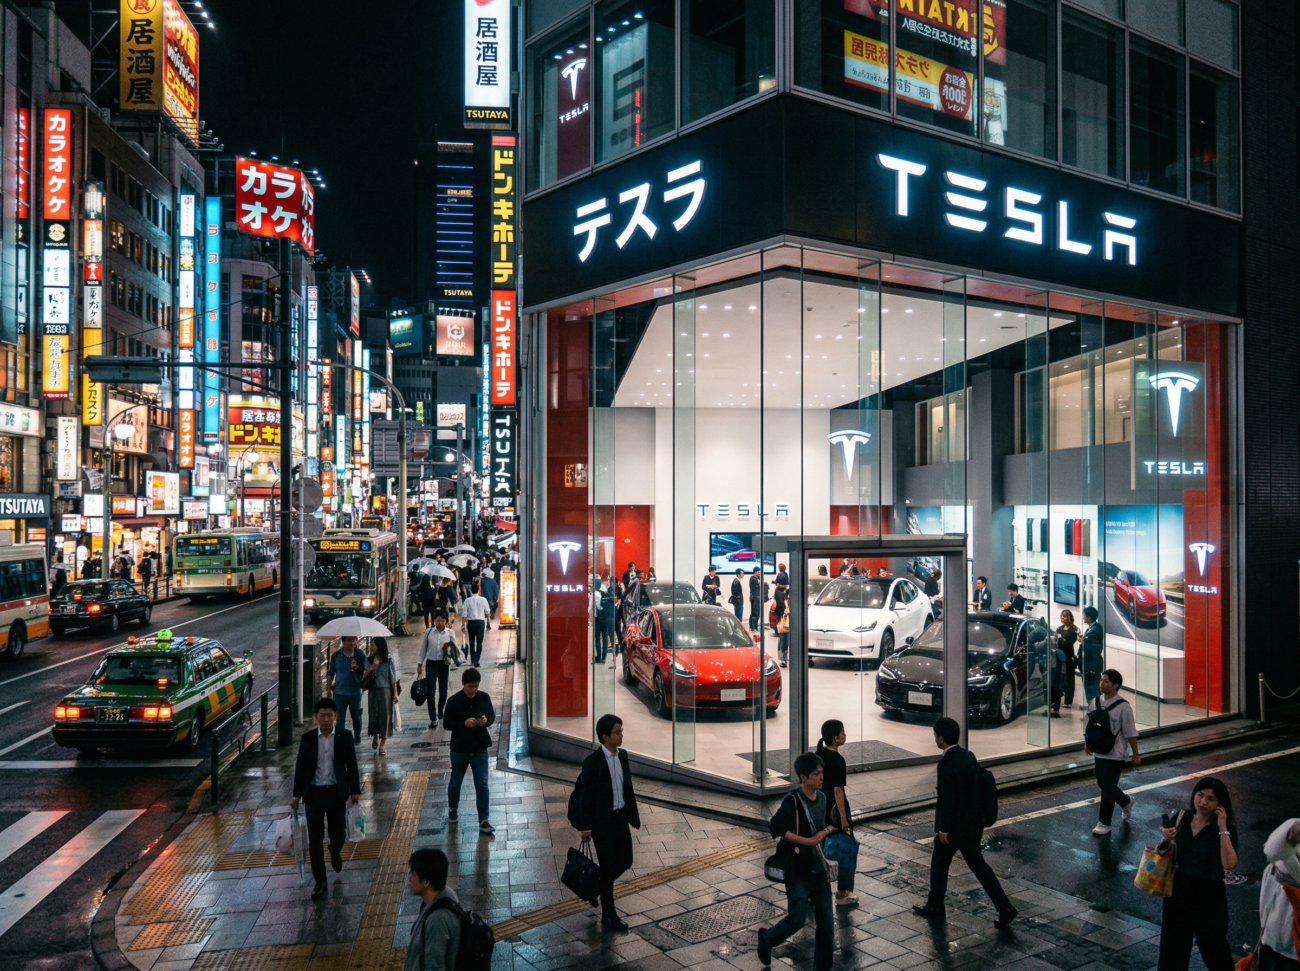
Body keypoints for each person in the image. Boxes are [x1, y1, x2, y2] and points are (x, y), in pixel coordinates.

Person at [913, 717, 1017, 927]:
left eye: (935, 736)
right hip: (973, 822)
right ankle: (1005, 907)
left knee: (940, 859)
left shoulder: (945, 764)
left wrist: (942, 829)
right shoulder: (968, 756)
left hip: (955, 827)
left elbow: (946, 799)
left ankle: (935, 905)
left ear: (941, 739)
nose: (935, 739)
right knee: (978, 864)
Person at [757, 752, 835, 970]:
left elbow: (832, 822)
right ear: (803, 777)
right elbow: (778, 828)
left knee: (827, 923)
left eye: (822, 773)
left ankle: (823, 967)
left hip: (819, 869)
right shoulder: (791, 800)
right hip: (799, 870)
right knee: (797, 919)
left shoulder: (823, 798)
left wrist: (826, 831)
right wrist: (808, 841)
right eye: (816, 774)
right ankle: (768, 939)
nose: (821, 778)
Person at [1157, 778, 1239, 971]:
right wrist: (1165, 841)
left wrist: (1222, 827)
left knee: (1214, 948)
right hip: (1179, 890)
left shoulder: (1224, 828)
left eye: (1210, 799)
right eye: (1200, 795)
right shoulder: (1181, 817)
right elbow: (1167, 853)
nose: (1203, 802)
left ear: (1219, 804)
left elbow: (1229, 863)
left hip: (1209, 894)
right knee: (1173, 948)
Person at [290, 698, 361, 899]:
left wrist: (355, 790)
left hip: (336, 793)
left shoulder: (345, 736)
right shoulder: (308, 738)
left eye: (330, 715)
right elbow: (301, 768)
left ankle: (335, 850)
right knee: (315, 839)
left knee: (338, 833)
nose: (326, 719)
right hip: (314, 793)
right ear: (316, 717)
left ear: (336, 716)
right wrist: (296, 795)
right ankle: (320, 882)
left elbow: (352, 765)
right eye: (322, 716)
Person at [578, 714, 641, 931]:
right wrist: (585, 826)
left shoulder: (622, 756)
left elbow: (627, 787)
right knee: (608, 867)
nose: (621, 735)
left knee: (626, 860)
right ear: (605, 736)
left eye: (621, 730)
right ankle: (609, 914)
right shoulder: (592, 762)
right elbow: (585, 796)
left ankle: (596, 887)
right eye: (617, 732)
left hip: (620, 818)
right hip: (601, 823)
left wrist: (632, 814)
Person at [1085, 668, 1140, 834]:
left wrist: (1135, 754)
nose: (1101, 683)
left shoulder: (1124, 707)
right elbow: (1089, 725)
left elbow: (1130, 732)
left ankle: (1104, 823)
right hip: (1099, 750)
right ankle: (1125, 802)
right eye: (1101, 680)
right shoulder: (1095, 701)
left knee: (1108, 787)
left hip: (1116, 753)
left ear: (1115, 685)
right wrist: (1087, 742)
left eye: (1106, 681)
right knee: (1102, 784)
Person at [443, 667, 495, 833]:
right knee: (455, 781)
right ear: (463, 683)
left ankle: (484, 819)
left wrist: (486, 721)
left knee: (482, 784)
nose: (473, 690)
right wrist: (463, 724)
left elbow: (492, 716)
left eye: (476, 686)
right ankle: (453, 808)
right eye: (470, 686)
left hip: (479, 748)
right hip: (460, 749)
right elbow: (446, 724)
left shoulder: (484, 697)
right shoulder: (453, 701)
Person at [816, 720, 858, 907]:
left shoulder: (819, 754)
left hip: (820, 809)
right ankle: (842, 893)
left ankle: (812, 891)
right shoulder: (837, 760)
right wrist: (844, 820)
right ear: (835, 738)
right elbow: (838, 791)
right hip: (835, 811)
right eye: (843, 732)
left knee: (818, 848)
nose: (845, 735)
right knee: (847, 848)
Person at [405, 848, 461, 971]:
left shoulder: (437, 920)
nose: (409, 879)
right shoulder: (447, 893)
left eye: (413, 874)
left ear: (426, 882)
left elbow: (434, 966)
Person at [1258, 817, 1300, 971]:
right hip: (1271, 932)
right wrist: (1291, 833)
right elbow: (1271, 851)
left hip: (1294, 947)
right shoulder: (1294, 824)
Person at [326, 637, 370, 744]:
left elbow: (367, 670)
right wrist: (328, 689)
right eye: (349, 640)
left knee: (356, 717)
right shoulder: (336, 655)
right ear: (343, 642)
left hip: (355, 692)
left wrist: (357, 668)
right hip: (339, 693)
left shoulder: (360, 654)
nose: (352, 643)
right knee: (340, 718)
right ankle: (340, 738)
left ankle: (357, 735)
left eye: (353, 640)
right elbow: (331, 673)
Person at [418, 613, 457, 727]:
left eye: (442, 621)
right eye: (438, 620)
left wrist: (448, 648)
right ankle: (433, 718)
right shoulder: (429, 632)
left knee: (443, 692)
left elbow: (455, 649)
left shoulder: (450, 633)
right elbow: (423, 648)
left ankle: (440, 710)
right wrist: (420, 663)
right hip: (431, 664)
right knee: (430, 692)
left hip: (443, 664)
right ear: (434, 620)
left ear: (445, 621)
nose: (440, 623)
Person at [367, 638, 398, 756]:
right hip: (373, 690)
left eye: (373, 645)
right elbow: (364, 674)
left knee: (385, 717)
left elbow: (393, 678)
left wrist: (395, 693)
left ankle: (382, 745)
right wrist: (370, 670)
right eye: (371, 645)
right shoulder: (370, 660)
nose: (371, 647)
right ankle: (375, 736)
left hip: (386, 691)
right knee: (373, 715)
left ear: (379, 646)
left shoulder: (389, 660)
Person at [461, 583, 489, 667]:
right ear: (478, 590)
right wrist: (489, 623)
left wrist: (463, 625)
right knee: (479, 643)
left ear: (471, 591)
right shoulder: (483, 600)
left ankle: (473, 660)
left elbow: (464, 614)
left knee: (472, 642)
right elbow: (487, 612)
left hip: (471, 623)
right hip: (480, 622)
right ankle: (477, 660)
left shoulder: (467, 600)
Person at [1056, 610, 1080, 709]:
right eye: (1061, 617)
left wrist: (1061, 638)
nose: (1062, 619)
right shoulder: (1060, 628)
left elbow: (1068, 642)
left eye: (1064, 617)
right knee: (1060, 678)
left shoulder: (1073, 629)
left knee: (1069, 679)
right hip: (1058, 656)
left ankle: (1068, 701)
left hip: (1068, 656)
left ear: (1069, 617)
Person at [595, 574, 616, 666]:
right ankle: (604, 658)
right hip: (606, 618)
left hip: (597, 618)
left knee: (597, 638)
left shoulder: (594, 594)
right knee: (605, 638)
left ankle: (599, 656)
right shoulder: (605, 591)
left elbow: (596, 607)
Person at [748, 567, 763, 632]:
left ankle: (754, 626)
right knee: (755, 613)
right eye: (758, 572)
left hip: (757, 597)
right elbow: (755, 586)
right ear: (755, 572)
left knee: (757, 613)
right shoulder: (752, 578)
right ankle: (753, 627)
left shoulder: (758, 578)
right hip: (755, 597)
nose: (759, 573)